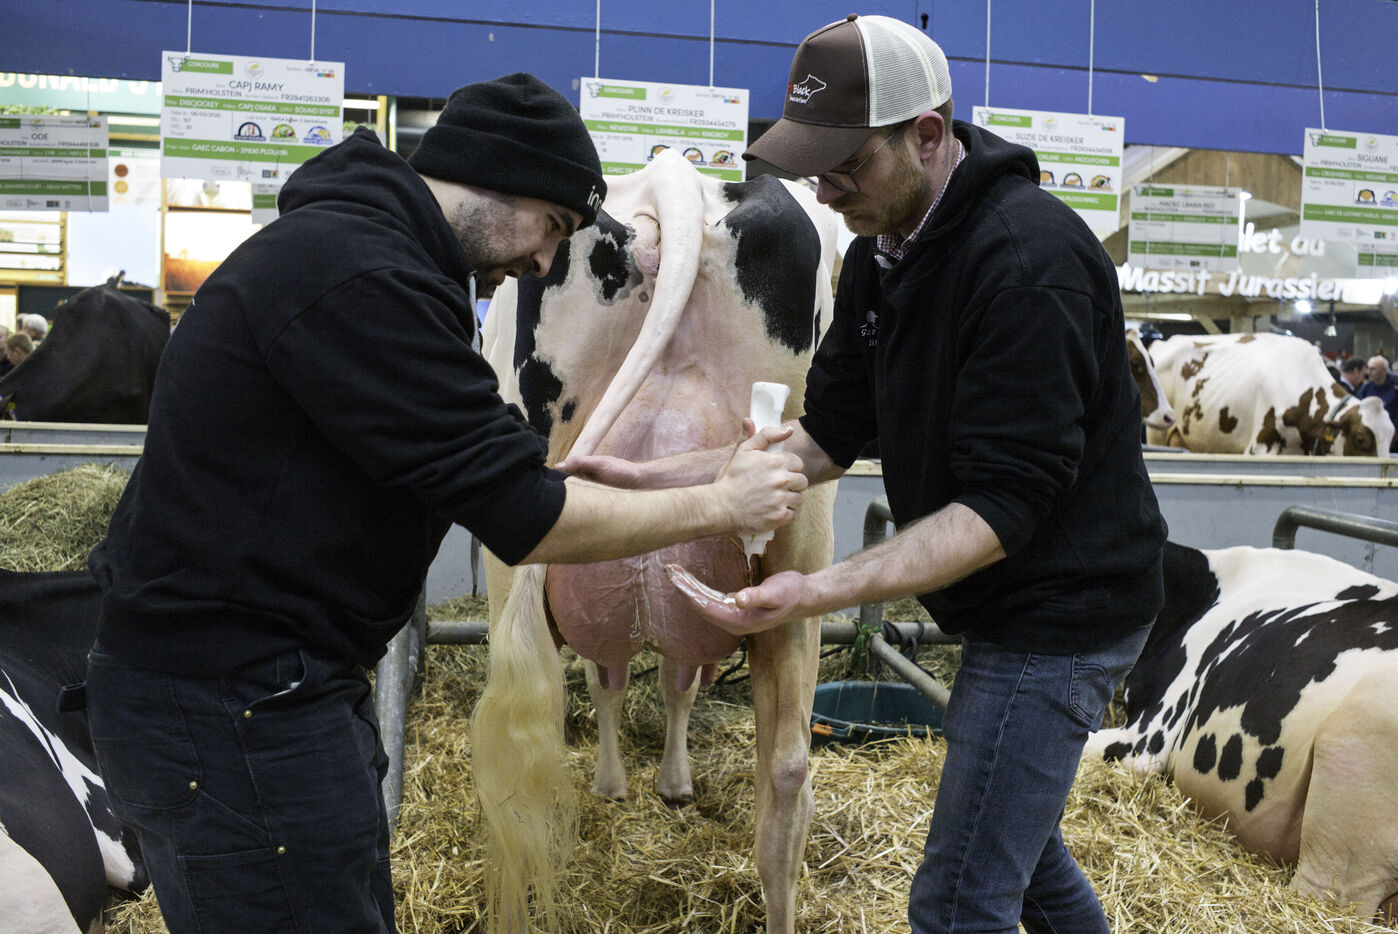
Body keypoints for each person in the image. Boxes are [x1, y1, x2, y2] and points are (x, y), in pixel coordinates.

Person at [82, 72, 807, 934]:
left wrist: (617, 479)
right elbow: (522, 515)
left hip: (269, 687)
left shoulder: (372, 260)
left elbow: (492, 467)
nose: (545, 264)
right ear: (501, 177)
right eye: (553, 227)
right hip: (231, 705)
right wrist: (722, 504)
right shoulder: (358, 275)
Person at [564, 15, 1166, 934]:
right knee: (1025, 852)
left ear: (927, 134)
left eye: (847, 166)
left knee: (957, 901)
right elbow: (827, 438)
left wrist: (816, 591)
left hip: (1062, 619)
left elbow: (1001, 508)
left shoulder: (1026, 264)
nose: (826, 190)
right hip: (1005, 602)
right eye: (813, 168)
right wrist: (650, 477)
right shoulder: (884, 257)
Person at [1358, 353, 1398, 451]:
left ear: (1384, 370)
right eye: (1368, 368)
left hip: (1394, 438)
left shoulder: (1395, 386)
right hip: (1372, 437)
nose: (1369, 372)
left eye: (1373, 369)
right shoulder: (1366, 388)